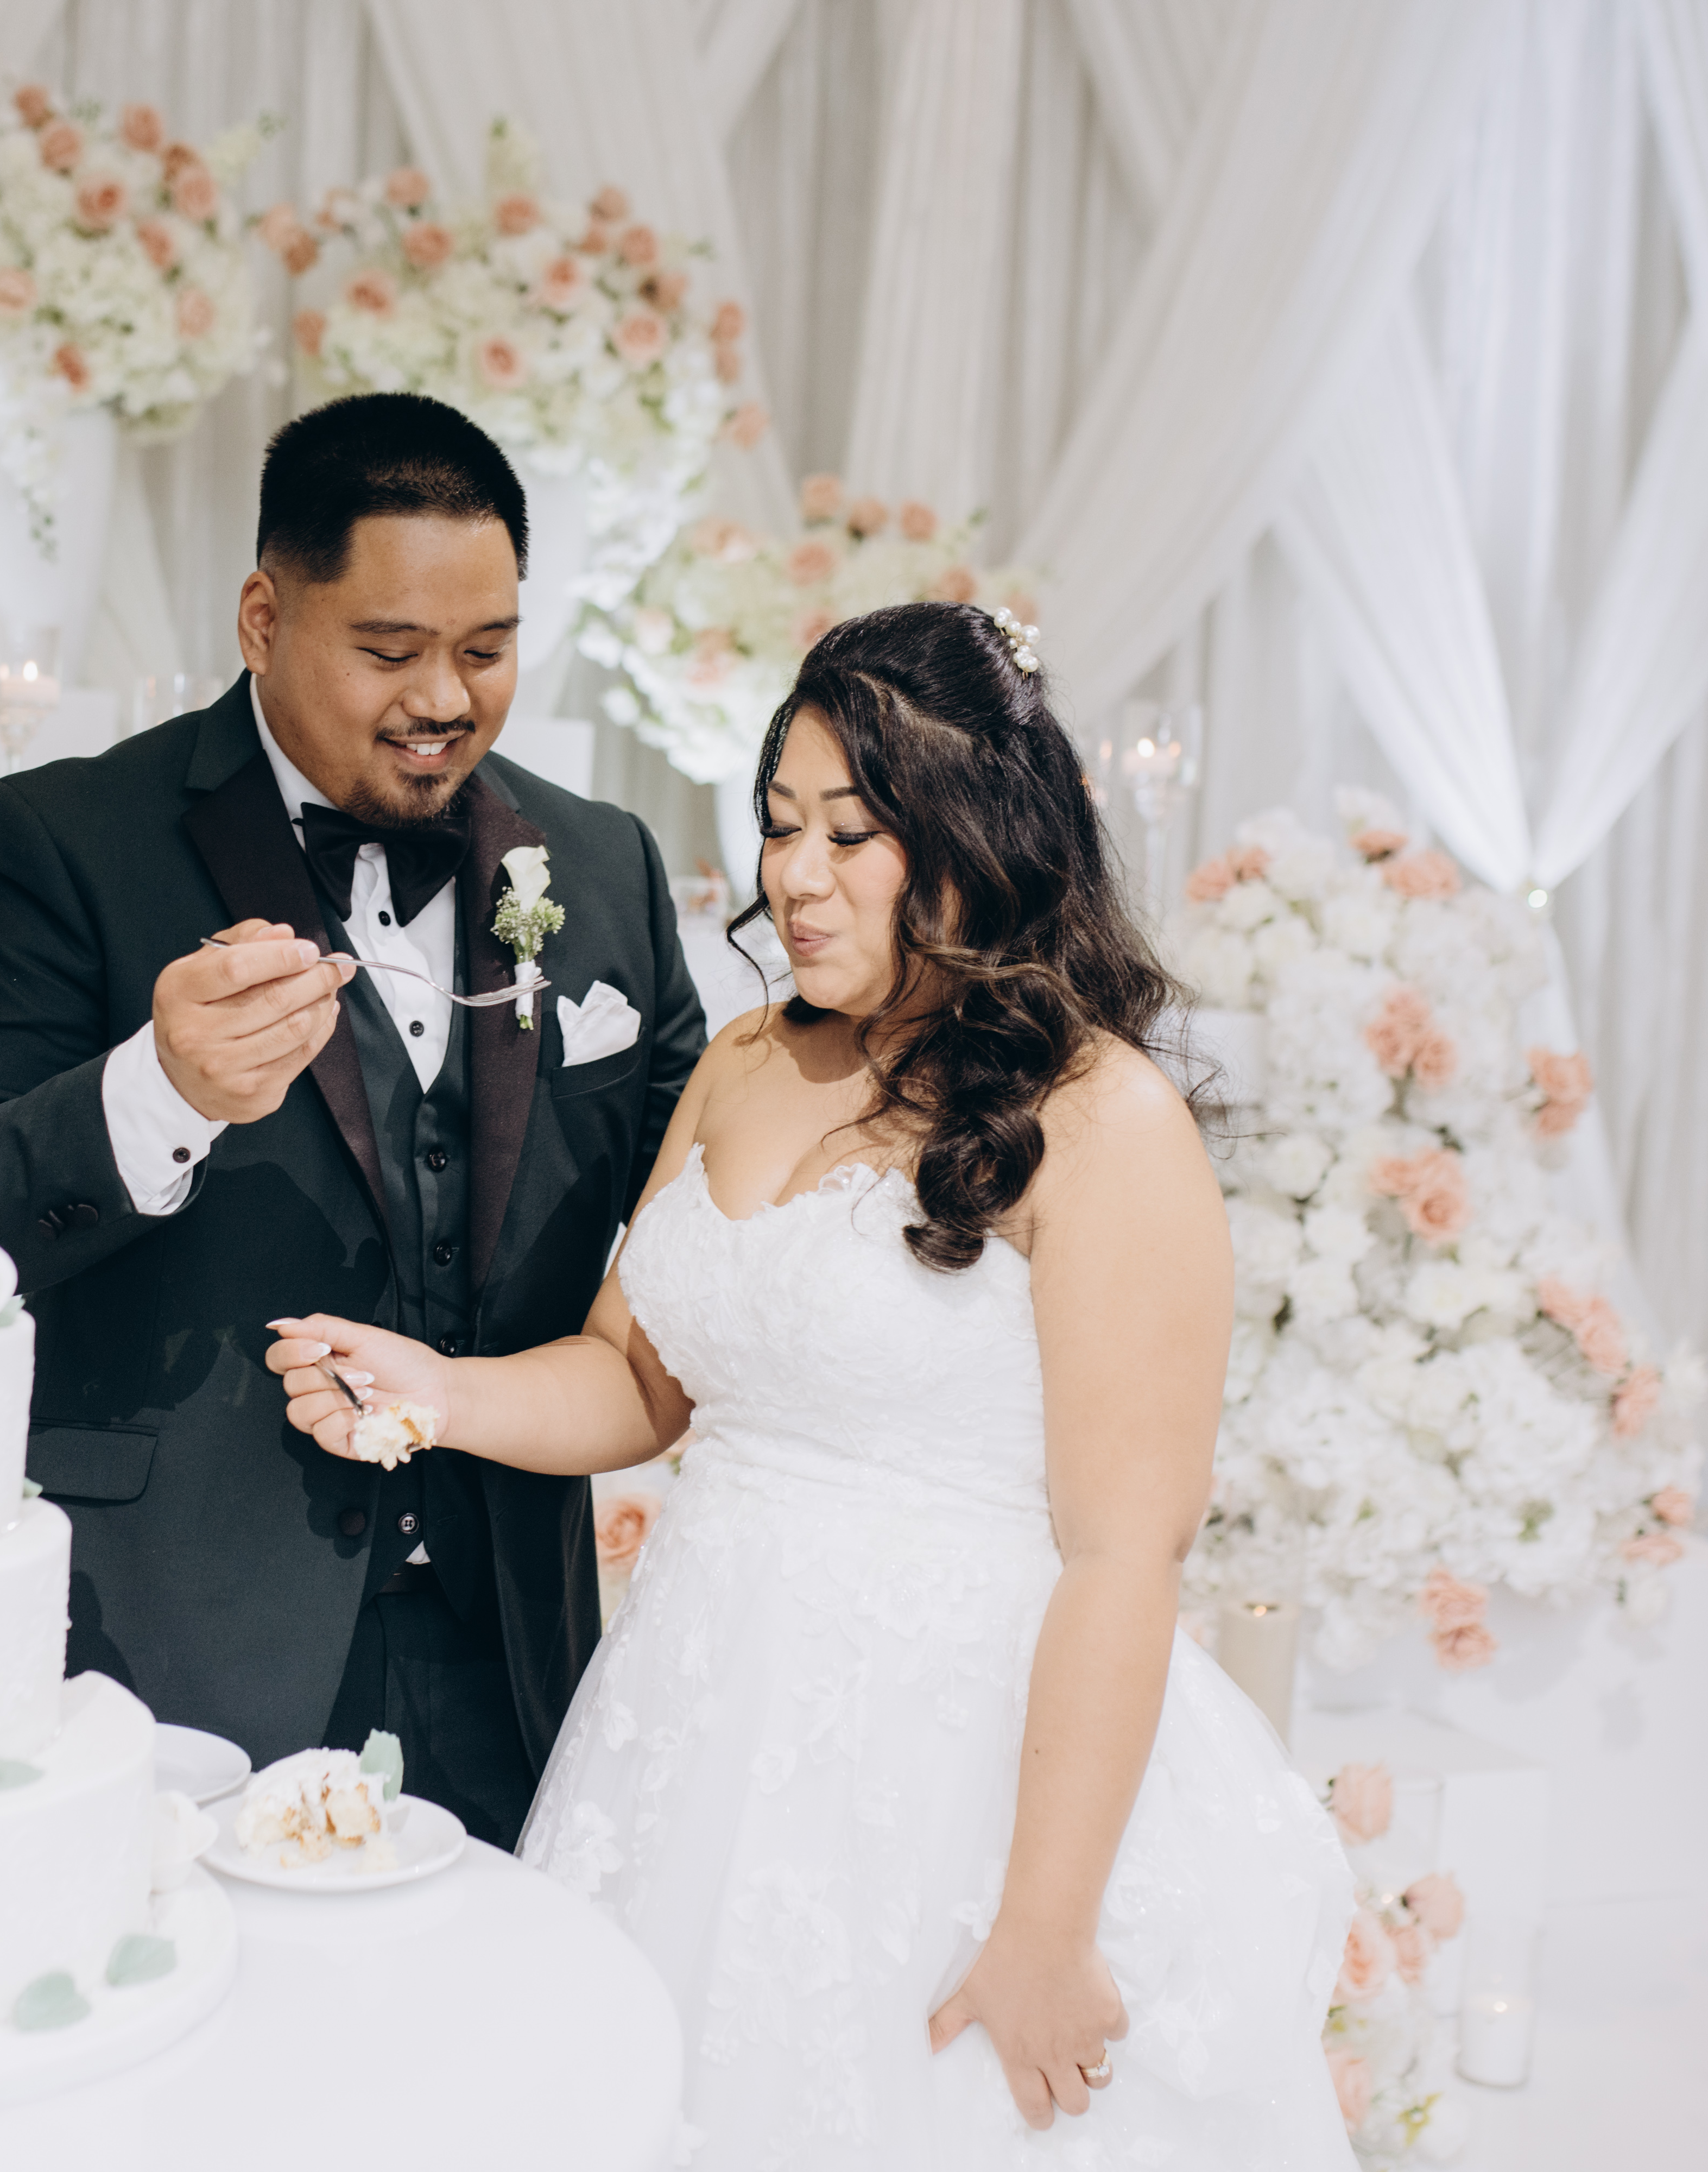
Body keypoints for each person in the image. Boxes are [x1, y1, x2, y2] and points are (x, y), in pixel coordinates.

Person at [269, 604, 1353, 2163]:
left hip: (957, 1776)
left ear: (977, 838)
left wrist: (1046, 1924)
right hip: (694, 1723)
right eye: (781, 825)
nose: (793, 874)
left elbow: (1126, 1554)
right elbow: (636, 1381)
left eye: (852, 834)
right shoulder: (745, 1061)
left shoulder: (1102, 1118)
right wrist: (436, 1390)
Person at [0, 392, 706, 1849]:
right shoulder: (60, 841)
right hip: (170, 1645)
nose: (444, 698)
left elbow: (705, 1211)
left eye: (487, 649)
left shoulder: (604, 866)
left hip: (514, 1655)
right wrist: (159, 1093)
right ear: (263, 620)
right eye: (390, 652)